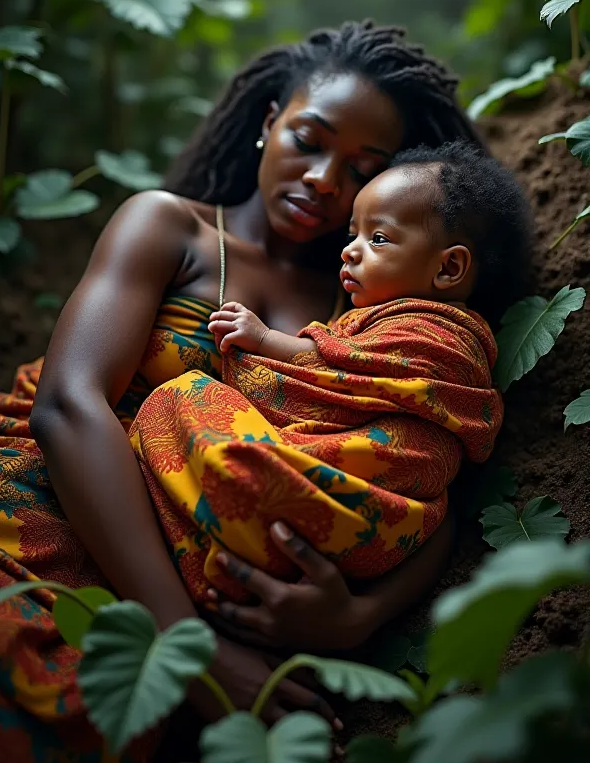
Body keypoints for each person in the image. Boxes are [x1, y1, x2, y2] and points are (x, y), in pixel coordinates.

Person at [0, 21, 486, 763]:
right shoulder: (171, 227)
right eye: (309, 139)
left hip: (210, 588)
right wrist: (187, 648)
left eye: (363, 167)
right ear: (269, 123)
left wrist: (357, 618)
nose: (325, 179)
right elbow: (67, 406)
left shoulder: (376, 301)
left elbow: (429, 464)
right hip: (45, 510)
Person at [129, 142, 531, 610]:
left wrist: (260, 342)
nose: (351, 252)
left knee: (180, 397)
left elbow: (335, 374)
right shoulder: (452, 338)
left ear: (449, 267)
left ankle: (228, 561)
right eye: (352, 235)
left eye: (377, 239)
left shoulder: (430, 333)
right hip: (383, 536)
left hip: (342, 494)